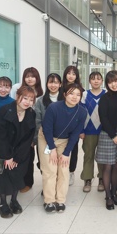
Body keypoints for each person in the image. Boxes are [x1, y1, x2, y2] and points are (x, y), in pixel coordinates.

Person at [0, 86, 36, 218]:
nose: (27, 102)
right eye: (25, 98)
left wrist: (17, 157)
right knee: (2, 175)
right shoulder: (4, 111)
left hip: (20, 153)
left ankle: (13, 200)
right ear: (18, 97)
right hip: (1, 152)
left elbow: (27, 139)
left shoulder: (31, 113)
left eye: (31, 99)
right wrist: (7, 156)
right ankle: (2, 203)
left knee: (17, 173)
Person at [38, 83, 87, 213]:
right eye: (71, 93)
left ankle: (60, 200)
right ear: (64, 94)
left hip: (64, 141)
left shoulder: (82, 112)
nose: (74, 97)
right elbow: (47, 129)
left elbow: (76, 134)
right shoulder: (53, 107)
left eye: (78, 94)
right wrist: (52, 148)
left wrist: (66, 153)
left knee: (64, 169)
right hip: (47, 138)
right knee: (50, 169)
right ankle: (49, 200)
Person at [96, 71, 117, 210]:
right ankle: (108, 196)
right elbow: (104, 118)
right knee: (108, 166)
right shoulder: (104, 98)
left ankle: (114, 193)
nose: (114, 84)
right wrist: (114, 135)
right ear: (107, 84)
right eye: (110, 82)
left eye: (116, 80)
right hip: (108, 133)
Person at [10, 67, 43, 193]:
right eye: (27, 76)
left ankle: (28, 182)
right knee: (22, 154)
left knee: (32, 156)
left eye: (33, 76)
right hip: (21, 127)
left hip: (36, 128)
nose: (30, 78)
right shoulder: (18, 89)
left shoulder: (41, 93)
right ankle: (18, 181)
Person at [81, 71, 106, 192]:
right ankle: (87, 179)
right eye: (93, 79)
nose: (96, 81)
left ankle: (102, 178)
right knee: (88, 155)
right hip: (88, 130)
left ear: (102, 81)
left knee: (102, 157)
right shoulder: (84, 94)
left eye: (98, 79)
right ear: (89, 81)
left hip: (103, 131)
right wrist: (81, 130)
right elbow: (80, 114)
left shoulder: (106, 94)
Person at [33, 73, 63, 171]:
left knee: (59, 163)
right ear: (46, 84)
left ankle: (57, 185)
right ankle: (48, 185)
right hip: (44, 137)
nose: (53, 85)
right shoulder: (40, 101)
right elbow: (37, 120)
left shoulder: (65, 100)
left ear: (60, 84)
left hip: (62, 138)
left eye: (56, 83)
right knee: (46, 164)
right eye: (50, 82)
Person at [62, 65, 84, 186]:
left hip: (74, 125)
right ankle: (61, 172)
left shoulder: (81, 90)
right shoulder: (60, 88)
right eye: (69, 73)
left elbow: (83, 109)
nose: (71, 76)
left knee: (73, 149)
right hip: (60, 126)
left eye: (74, 73)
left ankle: (71, 171)